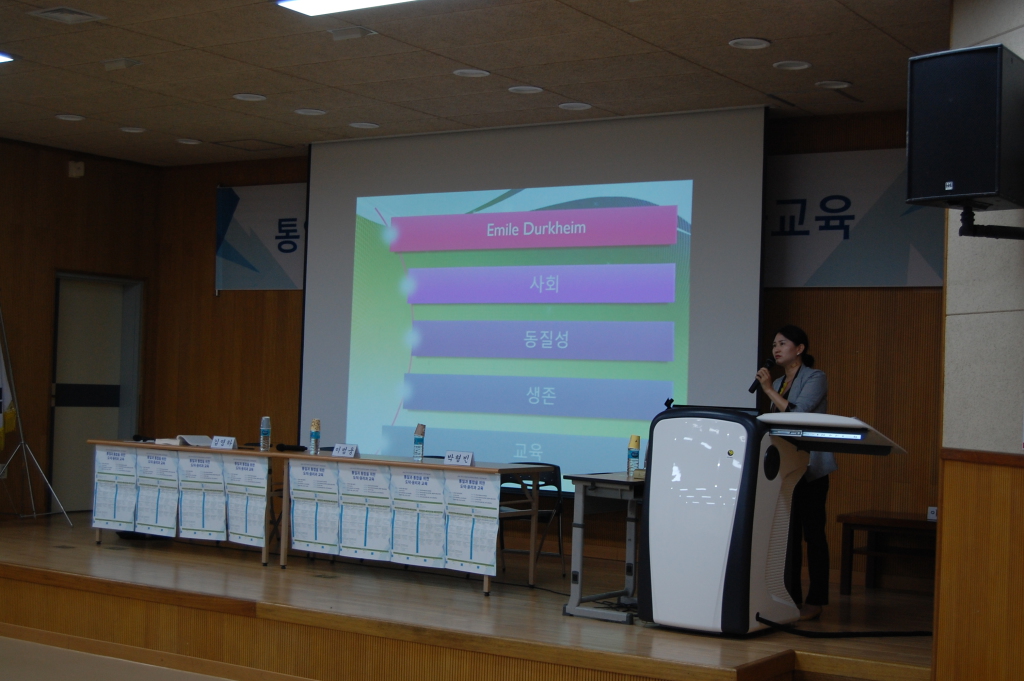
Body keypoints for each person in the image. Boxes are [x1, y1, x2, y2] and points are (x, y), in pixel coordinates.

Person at [755, 324, 834, 621]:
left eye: (783, 343)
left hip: (811, 468)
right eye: (774, 344)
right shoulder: (778, 382)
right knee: (787, 536)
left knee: (813, 534)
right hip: (786, 468)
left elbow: (799, 414)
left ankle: (816, 600)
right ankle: (790, 598)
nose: (776, 349)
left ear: (799, 349)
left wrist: (768, 390)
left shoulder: (815, 377)